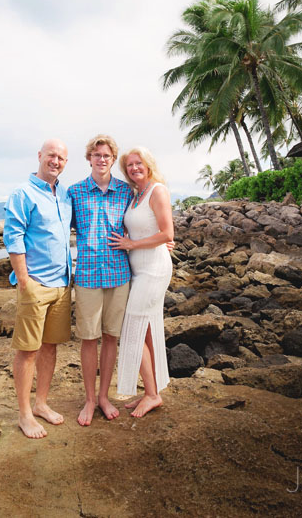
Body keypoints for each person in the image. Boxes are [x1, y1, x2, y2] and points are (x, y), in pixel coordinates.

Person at [3, 139, 72, 439]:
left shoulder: (65, 195)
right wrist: (25, 282)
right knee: (28, 351)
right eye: (51, 156)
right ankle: (25, 414)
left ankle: (41, 403)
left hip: (61, 285)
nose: (55, 161)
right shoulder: (23, 193)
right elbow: (14, 237)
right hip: (35, 285)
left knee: (50, 347)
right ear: (40, 156)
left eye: (61, 158)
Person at [67, 135, 133, 426]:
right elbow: (57, 227)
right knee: (88, 338)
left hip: (119, 274)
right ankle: (90, 400)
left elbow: (144, 222)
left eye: (106, 155)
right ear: (89, 159)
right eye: (96, 155)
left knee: (111, 337)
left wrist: (161, 243)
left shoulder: (125, 191)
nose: (102, 159)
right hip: (88, 277)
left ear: (112, 158)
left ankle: (104, 396)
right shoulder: (75, 192)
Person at [109, 146, 174, 418]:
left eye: (138, 163)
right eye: (129, 165)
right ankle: (153, 390)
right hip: (138, 270)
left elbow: (167, 232)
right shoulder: (136, 195)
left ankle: (151, 394)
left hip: (154, 270)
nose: (134, 168)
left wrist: (133, 244)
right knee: (146, 331)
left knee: (132, 331)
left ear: (148, 164)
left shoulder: (157, 190)